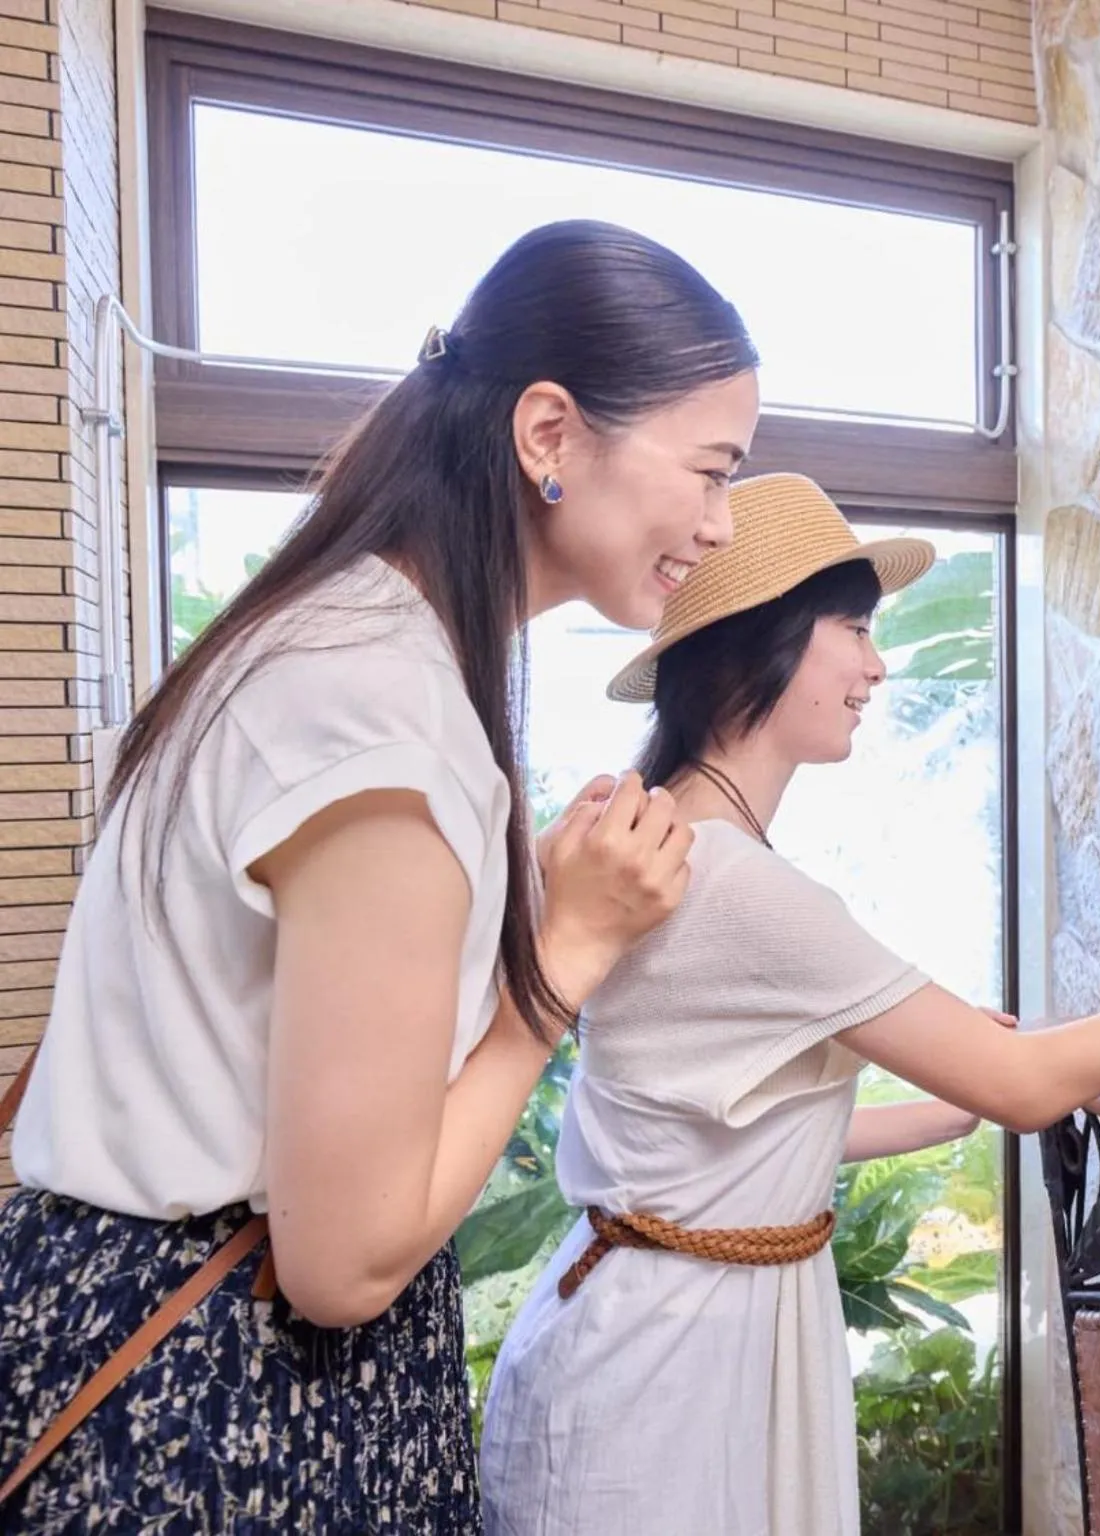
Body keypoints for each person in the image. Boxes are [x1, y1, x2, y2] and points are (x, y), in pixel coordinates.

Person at [0, 220, 761, 1533]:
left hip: (140, 1335)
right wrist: (565, 959)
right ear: (549, 435)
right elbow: (343, 1262)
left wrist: (500, 897)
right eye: (709, 469)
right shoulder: (383, 713)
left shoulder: (341, 639)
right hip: (226, 1411)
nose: (721, 521)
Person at [478, 473, 1100, 1536]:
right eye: (853, 628)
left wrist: (942, 1105)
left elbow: (708, 1130)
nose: (876, 666)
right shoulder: (742, 886)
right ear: (770, 642)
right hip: (669, 1372)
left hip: (639, 1329)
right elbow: (1027, 1088)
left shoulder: (663, 843)